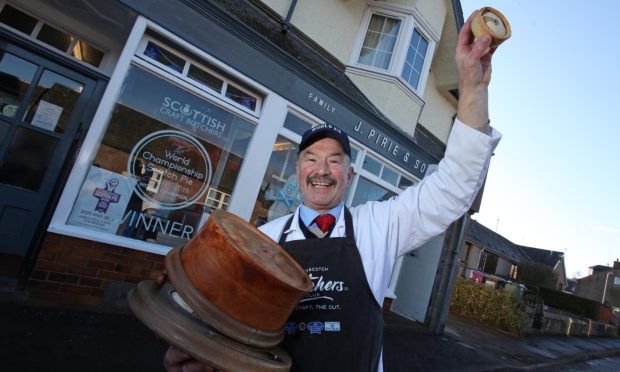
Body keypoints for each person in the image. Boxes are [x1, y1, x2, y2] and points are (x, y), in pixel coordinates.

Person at [164, 9, 501, 372]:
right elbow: (223, 320)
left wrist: (471, 88)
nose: (322, 169)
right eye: (311, 158)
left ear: (350, 174)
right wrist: (197, 349)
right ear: (298, 170)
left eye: (334, 160)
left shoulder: (379, 226)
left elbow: (453, 188)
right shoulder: (263, 241)